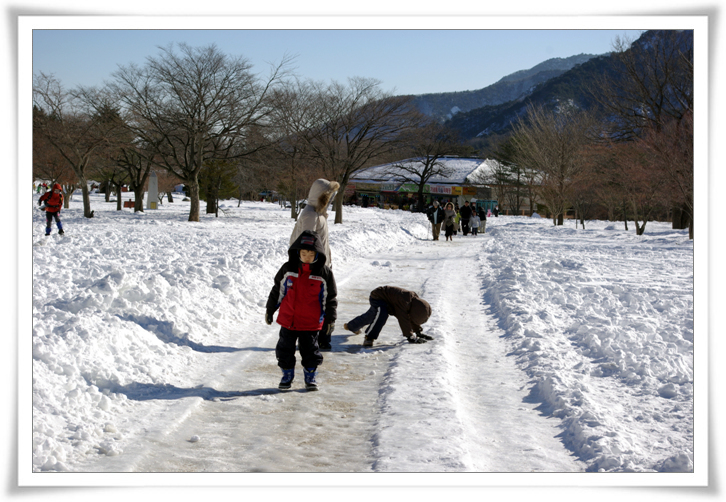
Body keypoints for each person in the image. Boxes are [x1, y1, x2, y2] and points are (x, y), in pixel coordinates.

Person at [266, 230, 337, 391]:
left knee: (310, 352)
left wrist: (330, 319)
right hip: (288, 320)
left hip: (310, 323)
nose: (307, 257)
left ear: (317, 254)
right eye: (303, 253)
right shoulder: (288, 269)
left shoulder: (323, 273)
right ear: (297, 252)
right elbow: (277, 290)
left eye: (311, 254)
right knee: (284, 350)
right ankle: (287, 375)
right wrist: (270, 310)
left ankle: (310, 376)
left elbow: (330, 298)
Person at [289, 178, 339, 350]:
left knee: (324, 301)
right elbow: (307, 244)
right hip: (314, 267)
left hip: (322, 265)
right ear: (320, 196)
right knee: (317, 302)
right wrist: (311, 267)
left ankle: (322, 338)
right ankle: (318, 338)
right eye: (329, 196)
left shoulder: (318, 213)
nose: (331, 199)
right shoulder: (311, 214)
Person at [343, 286, 432, 348]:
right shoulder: (404, 302)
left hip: (388, 301)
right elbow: (403, 319)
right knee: (382, 314)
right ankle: (369, 338)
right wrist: (410, 336)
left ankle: (351, 326)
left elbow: (409, 317)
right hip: (378, 296)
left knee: (371, 316)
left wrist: (418, 331)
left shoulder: (413, 303)